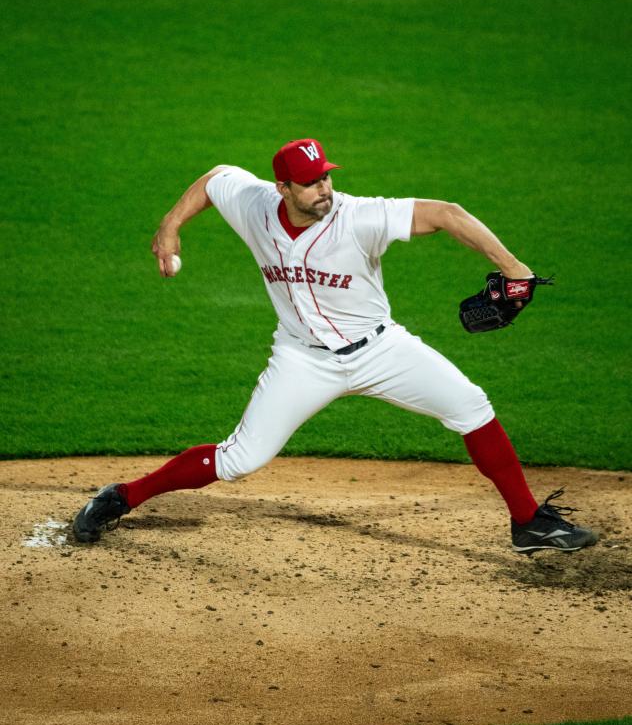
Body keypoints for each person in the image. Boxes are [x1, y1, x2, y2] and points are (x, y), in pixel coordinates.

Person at [73, 138, 598, 555]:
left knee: (471, 406)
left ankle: (528, 522)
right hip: (301, 360)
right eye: (310, 183)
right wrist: (170, 225)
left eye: (325, 176)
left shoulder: (360, 216)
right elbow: (216, 178)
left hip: (381, 352)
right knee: (240, 459)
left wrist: (514, 268)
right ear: (282, 188)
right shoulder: (255, 205)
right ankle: (121, 496)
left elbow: (447, 213)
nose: (323, 189)